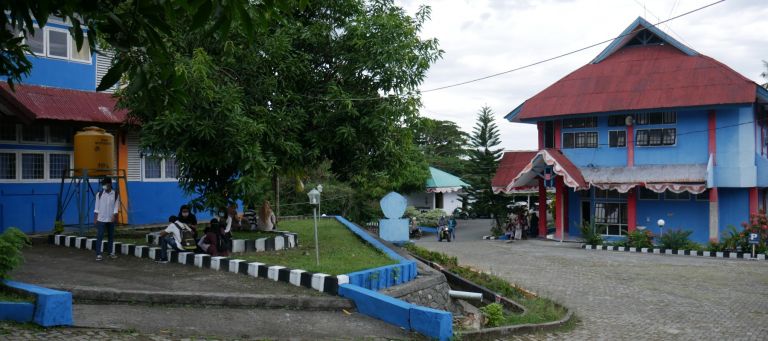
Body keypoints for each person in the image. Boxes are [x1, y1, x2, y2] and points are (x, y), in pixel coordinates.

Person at [94, 177, 120, 261]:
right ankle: (98, 254)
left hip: (111, 219)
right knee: (100, 236)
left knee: (111, 236)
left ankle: (110, 252)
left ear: (110, 184)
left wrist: (114, 215)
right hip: (101, 219)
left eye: (105, 184)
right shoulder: (99, 194)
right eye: (103, 184)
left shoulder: (115, 194)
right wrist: (95, 218)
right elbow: (96, 207)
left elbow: (116, 206)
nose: (103, 186)